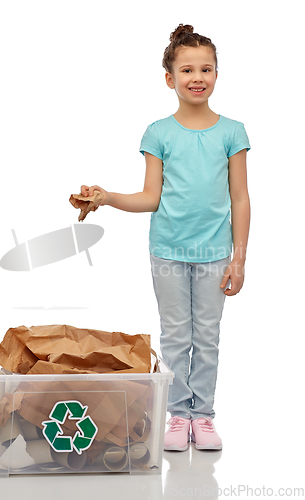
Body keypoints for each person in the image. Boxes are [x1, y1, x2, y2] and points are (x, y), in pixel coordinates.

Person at [80, 24, 251, 451]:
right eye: (188, 69)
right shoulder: (158, 133)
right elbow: (150, 198)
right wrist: (107, 197)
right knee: (177, 335)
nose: (198, 77)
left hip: (215, 253)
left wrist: (240, 258)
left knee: (207, 335)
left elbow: (241, 199)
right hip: (168, 253)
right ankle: (178, 416)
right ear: (169, 77)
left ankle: (204, 416)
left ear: (217, 74)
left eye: (206, 68)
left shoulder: (232, 132)